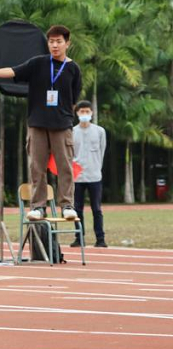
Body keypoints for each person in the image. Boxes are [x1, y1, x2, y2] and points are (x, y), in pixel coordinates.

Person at [0, 25, 82, 221]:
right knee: (37, 167)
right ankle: (38, 206)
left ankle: (67, 205)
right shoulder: (38, 63)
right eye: (51, 42)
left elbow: (73, 101)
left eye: (59, 41)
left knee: (65, 167)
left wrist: (67, 118)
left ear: (67, 43)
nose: (55, 45)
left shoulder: (73, 69)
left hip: (62, 125)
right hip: (37, 123)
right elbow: (13, 71)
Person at [72, 100, 107, 248]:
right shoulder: (72, 132)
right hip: (78, 176)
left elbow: (102, 151)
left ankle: (100, 238)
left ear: (92, 113)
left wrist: (97, 167)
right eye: (82, 111)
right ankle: (79, 238)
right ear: (77, 113)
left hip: (94, 175)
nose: (85, 114)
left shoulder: (100, 131)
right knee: (77, 209)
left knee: (96, 209)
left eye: (87, 111)